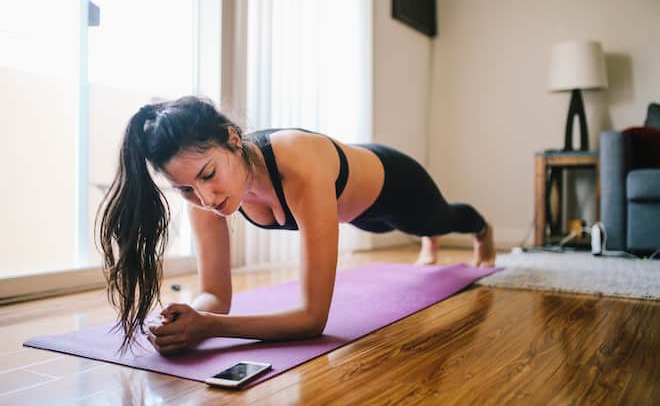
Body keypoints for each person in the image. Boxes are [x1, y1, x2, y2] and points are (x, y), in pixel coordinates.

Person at [98, 95, 495, 354]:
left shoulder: (299, 163)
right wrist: (190, 316)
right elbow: (216, 296)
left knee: (437, 218)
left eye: (207, 174)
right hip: (354, 213)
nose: (204, 199)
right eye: (185, 189)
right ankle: (430, 242)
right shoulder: (200, 193)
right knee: (387, 228)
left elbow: (312, 318)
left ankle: (481, 230)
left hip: (396, 184)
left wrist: (210, 330)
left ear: (233, 140)